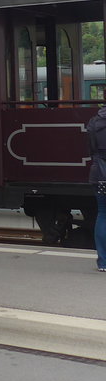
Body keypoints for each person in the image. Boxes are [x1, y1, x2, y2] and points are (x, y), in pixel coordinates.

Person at [87, 103, 106, 273]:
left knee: (102, 213)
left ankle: (103, 262)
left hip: (99, 174)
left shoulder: (94, 122)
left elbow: (91, 149)